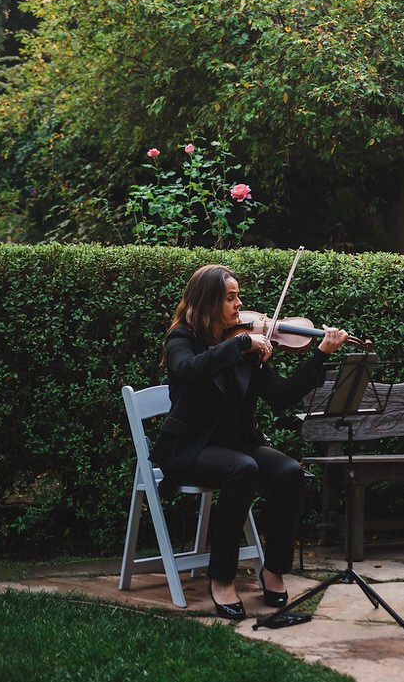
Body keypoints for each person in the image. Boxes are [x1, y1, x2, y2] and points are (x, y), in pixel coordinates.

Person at [152, 263, 347, 620]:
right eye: (230, 298)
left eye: (238, 296)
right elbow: (187, 369)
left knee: (289, 471)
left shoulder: (248, 346)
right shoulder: (183, 338)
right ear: (208, 301)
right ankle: (222, 577)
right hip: (189, 448)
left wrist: (320, 355)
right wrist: (241, 344)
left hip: (236, 444)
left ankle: (273, 571)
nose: (239, 305)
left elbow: (280, 397)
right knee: (243, 469)